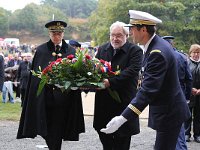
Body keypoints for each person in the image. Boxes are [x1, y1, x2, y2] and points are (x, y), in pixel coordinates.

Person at [101, 10, 191, 150]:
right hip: (168, 110)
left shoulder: (157, 53)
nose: (130, 33)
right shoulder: (156, 46)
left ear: (143, 29)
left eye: (132, 29)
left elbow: (148, 90)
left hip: (169, 113)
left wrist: (122, 118)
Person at [17, 20, 85, 150]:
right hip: (45, 99)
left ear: (63, 34)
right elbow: (35, 76)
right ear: (49, 34)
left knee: (57, 130)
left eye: (59, 33)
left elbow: (76, 74)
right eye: (54, 33)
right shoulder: (42, 50)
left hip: (64, 100)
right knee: (46, 130)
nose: (56, 36)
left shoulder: (70, 50)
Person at [94, 21, 143, 150]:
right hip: (103, 103)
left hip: (123, 102)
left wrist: (110, 82)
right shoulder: (102, 49)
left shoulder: (135, 51)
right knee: (104, 136)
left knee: (123, 140)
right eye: (113, 35)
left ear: (126, 36)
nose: (115, 38)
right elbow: (95, 71)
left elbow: (132, 71)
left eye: (119, 35)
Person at [162, 36, 193, 150]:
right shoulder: (182, 57)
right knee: (179, 130)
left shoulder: (160, 56)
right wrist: (187, 97)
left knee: (165, 131)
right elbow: (189, 79)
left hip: (164, 99)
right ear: (172, 44)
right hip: (180, 97)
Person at [185, 44, 200, 143]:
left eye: (198, 52)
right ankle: (186, 134)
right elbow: (183, 78)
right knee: (187, 115)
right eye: (194, 52)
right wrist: (190, 88)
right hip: (189, 93)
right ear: (190, 53)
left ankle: (197, 134)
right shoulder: (186, 63)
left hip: (199, 94)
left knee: (198, 115)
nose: (196, 54)